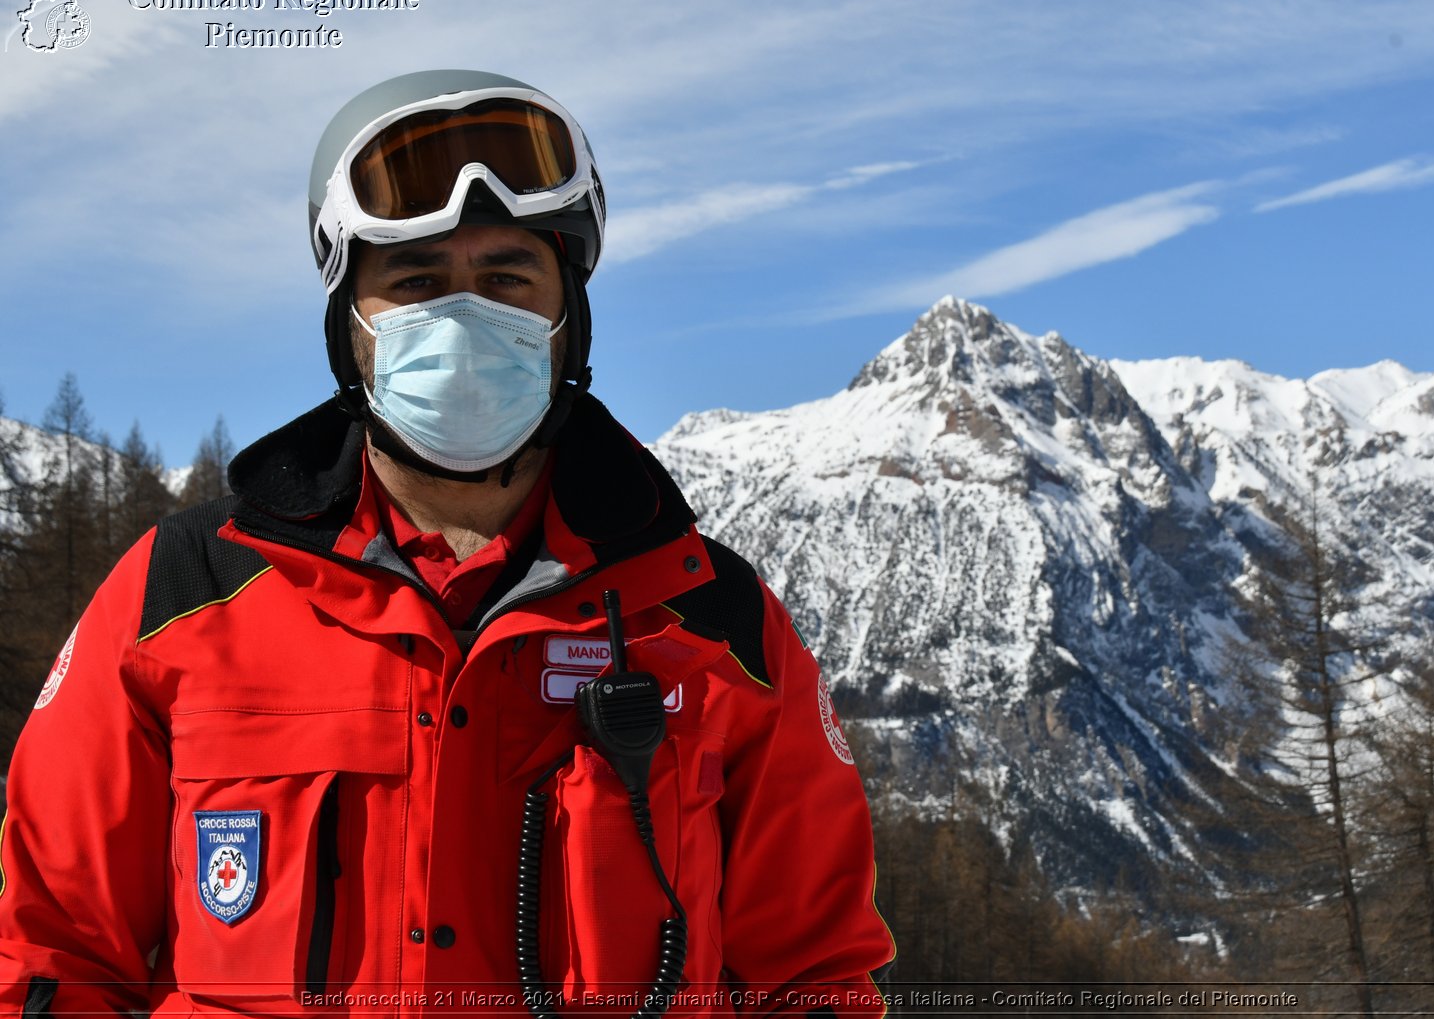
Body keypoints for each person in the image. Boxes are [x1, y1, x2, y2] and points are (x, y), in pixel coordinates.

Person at [0, 70, 895, 1016]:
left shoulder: (716, 626)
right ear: (353, 331)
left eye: (507, 280)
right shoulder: (181, 593)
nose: (465, 320)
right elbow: (48, 952)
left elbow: (814, 978)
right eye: (417, 282)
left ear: (564, 322)